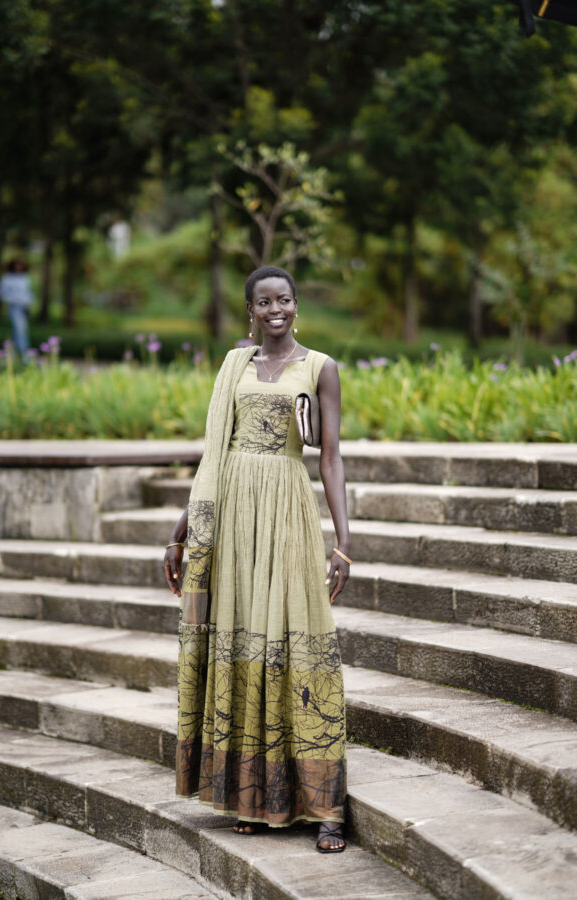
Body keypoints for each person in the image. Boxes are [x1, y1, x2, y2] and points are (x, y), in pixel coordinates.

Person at [164, 265, 351, 853]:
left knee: (299, 641)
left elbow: (330, 459)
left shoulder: (320, 367)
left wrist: (344, 542)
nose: (276, 308)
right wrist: (179, 534)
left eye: (286, 299)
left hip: (288, 514)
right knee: (243, 641)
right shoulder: (234, 366)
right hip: (234, 519)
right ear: (251, 310)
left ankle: (326, 807)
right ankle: (252, 795)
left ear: (297, 306)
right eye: (265, 301)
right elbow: (212, 455)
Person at [0, 259, 33, 358]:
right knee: (20, 329)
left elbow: (28, 293)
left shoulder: (25, 278)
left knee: (18, 330)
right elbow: (1, 294)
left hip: (24, 307)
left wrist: (28, 302)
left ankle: (13, 351)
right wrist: (14, 298)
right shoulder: (7, 278)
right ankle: (24, 352)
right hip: (14, 307)